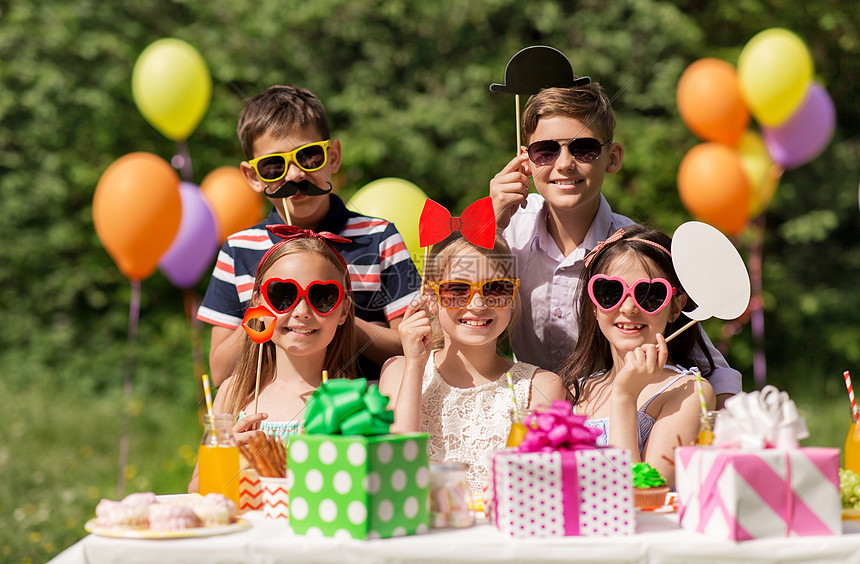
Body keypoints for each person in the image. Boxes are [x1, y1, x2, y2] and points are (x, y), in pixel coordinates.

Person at [489, 81, 740, 408]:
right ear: (526, 160)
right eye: (546, 150)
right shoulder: (505, 230)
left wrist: (732, 431)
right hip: (528, 422)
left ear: (613, 157)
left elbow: (711, 368)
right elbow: (447, 304)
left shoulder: (635, 250)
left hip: (612, 424)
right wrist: (486, 225)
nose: (564, 163)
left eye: (584, 148)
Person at [198, 85, 419, 386]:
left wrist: (335, 315)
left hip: (366, 418)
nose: (294, 175)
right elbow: (221, 371)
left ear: (334, 156)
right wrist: (267, 309)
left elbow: (415, 348)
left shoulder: (379, 238)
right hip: (272, 423)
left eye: (309, 156)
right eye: (274, 165)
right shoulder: (238, 249)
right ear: (252, 176)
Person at [379, 233, 568, 497]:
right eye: (457, 290)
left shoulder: (540, 387)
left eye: (495, 289)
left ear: (512, 297)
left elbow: (537, 489)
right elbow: (394, 467)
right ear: (430, 298)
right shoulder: (398, 371)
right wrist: (415, 365)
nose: (478, 304)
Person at [189, 227, 356, 492]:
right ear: (258, 303)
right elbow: (196, 490)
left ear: (344, 310)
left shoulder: (350, 402)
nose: (301, 312)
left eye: (322, 297)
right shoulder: (234, 393)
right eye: (283, 296)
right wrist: (226, 457)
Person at [563, 225, 715, 487]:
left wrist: (625, 396)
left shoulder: (690, 393)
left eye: (649, 295)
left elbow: (642, 496)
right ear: (593, 306)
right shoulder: (575, 389)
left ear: (676, 306)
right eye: (609, 292)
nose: (629, 307)